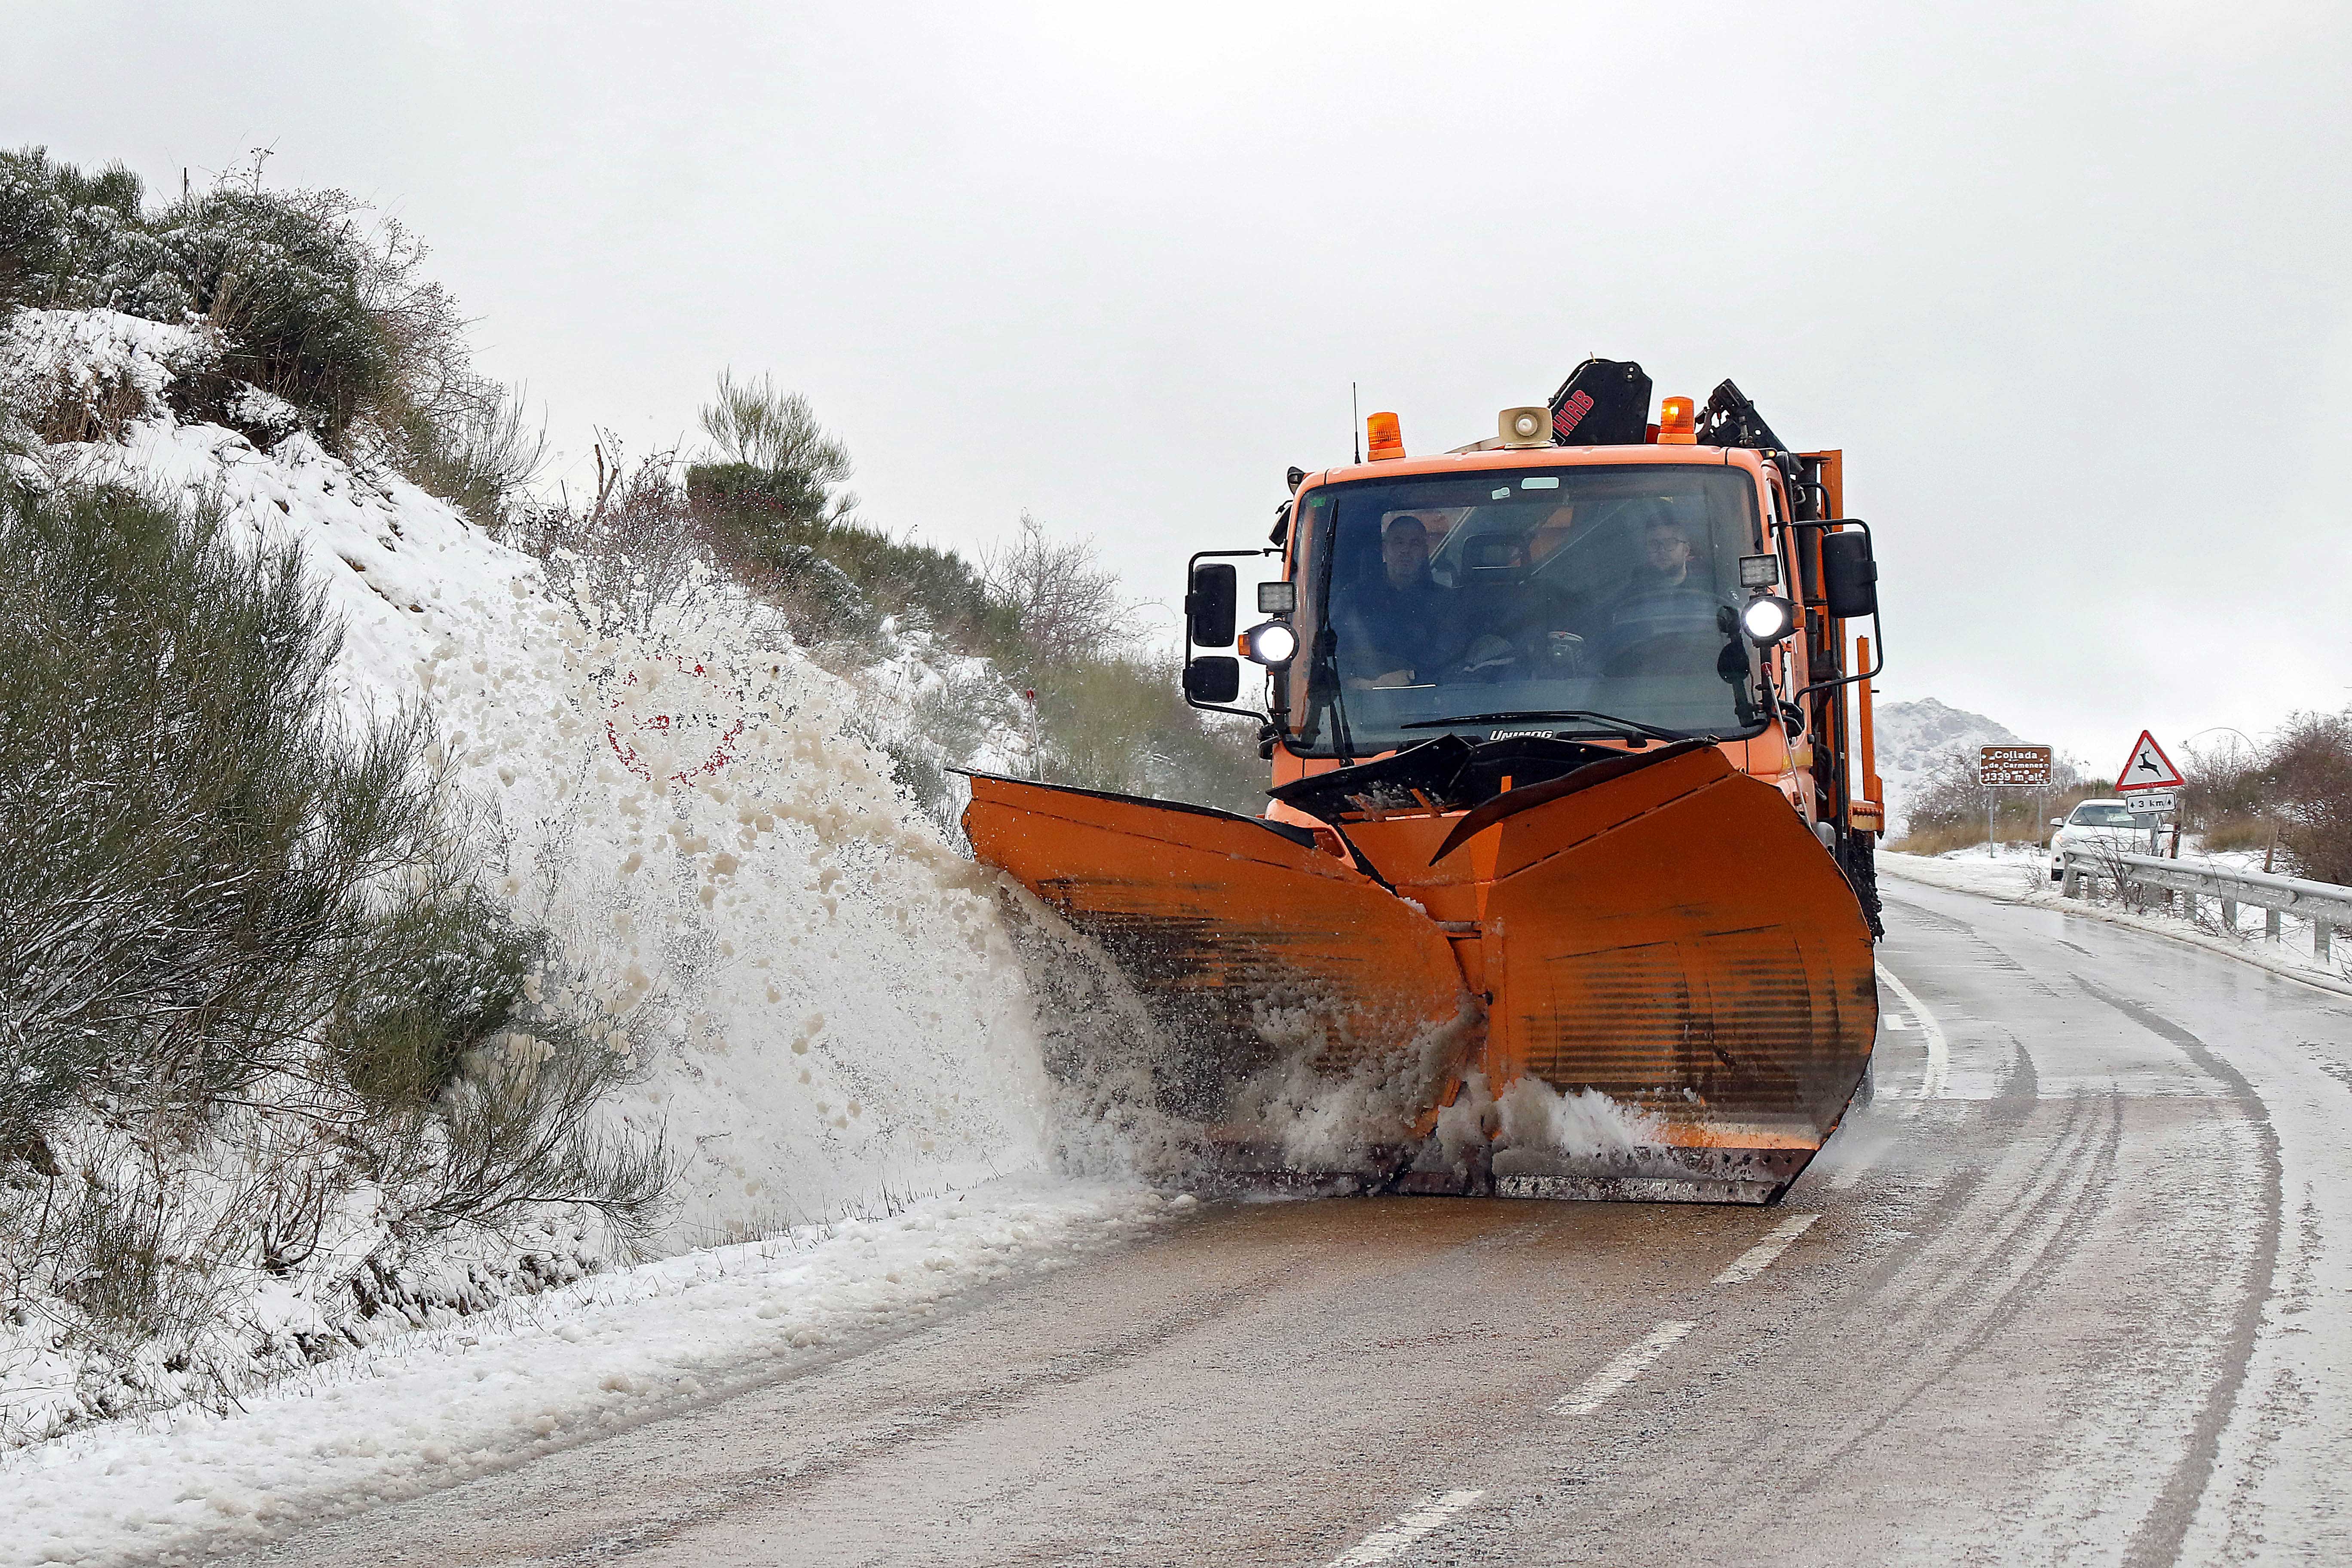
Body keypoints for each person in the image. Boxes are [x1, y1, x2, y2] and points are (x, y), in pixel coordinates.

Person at [1333, 514, 1460, 686]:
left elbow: (1454, 661)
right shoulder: (1354, 599)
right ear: (1385, 549)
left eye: (1415, 544)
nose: (1405, 550)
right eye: (1399, 542)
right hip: (1363, 705)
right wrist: (1373, 685)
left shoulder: (1445, 602)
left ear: (1425, 551)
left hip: (1436, 699)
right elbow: (1334, 660)